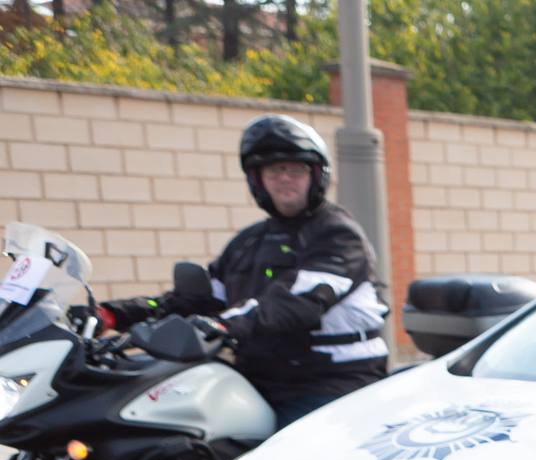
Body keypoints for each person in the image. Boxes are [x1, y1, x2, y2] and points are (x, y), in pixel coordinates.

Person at [98, 115, 388, 429]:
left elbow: (293, 303)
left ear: (315, 175)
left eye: (295, 168)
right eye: (274, 170)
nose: (285, 178)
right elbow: (198, 299)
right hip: (261, 379)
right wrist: (114, 315)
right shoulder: (249, 242)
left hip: (329, 383)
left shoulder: (338, 235)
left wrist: (222, 325)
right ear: (258, 179)